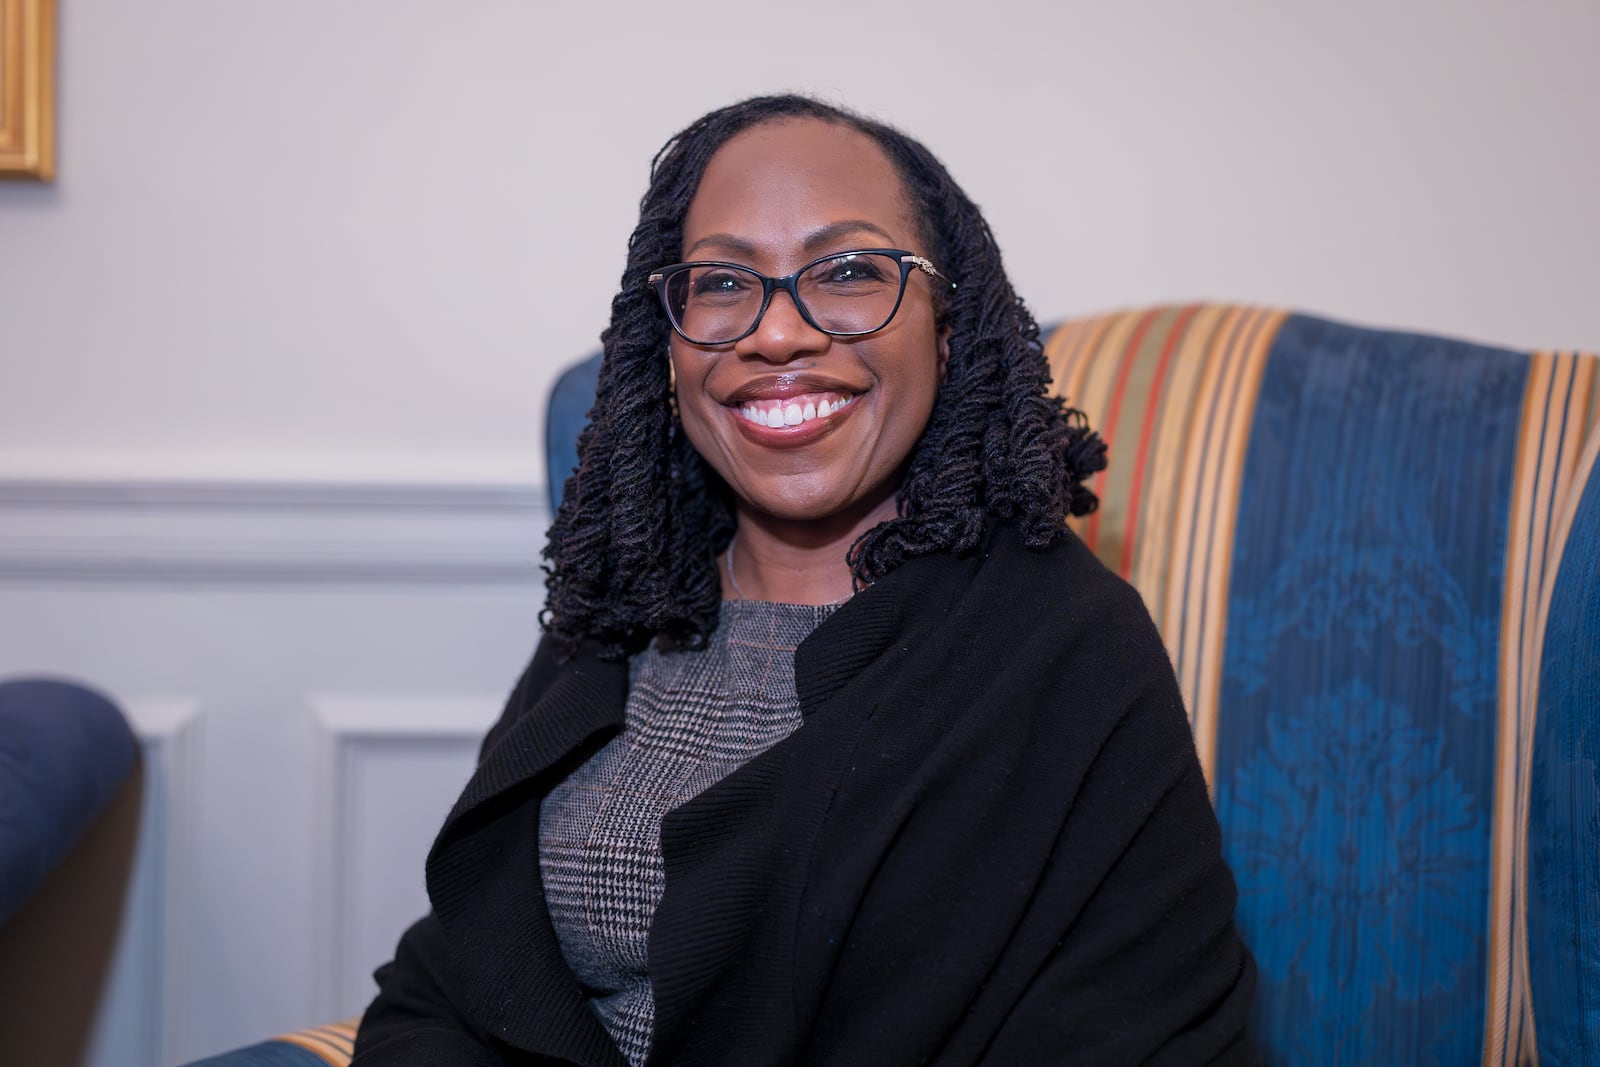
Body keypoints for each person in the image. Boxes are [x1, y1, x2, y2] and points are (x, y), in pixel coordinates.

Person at [353, 95, 1257, 1066]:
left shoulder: (1062, 646)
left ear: (948, 330)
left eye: (849, 270)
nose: (777, 334)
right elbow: (454, 976)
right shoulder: (624, 608)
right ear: (668, 343)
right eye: (722, 281)